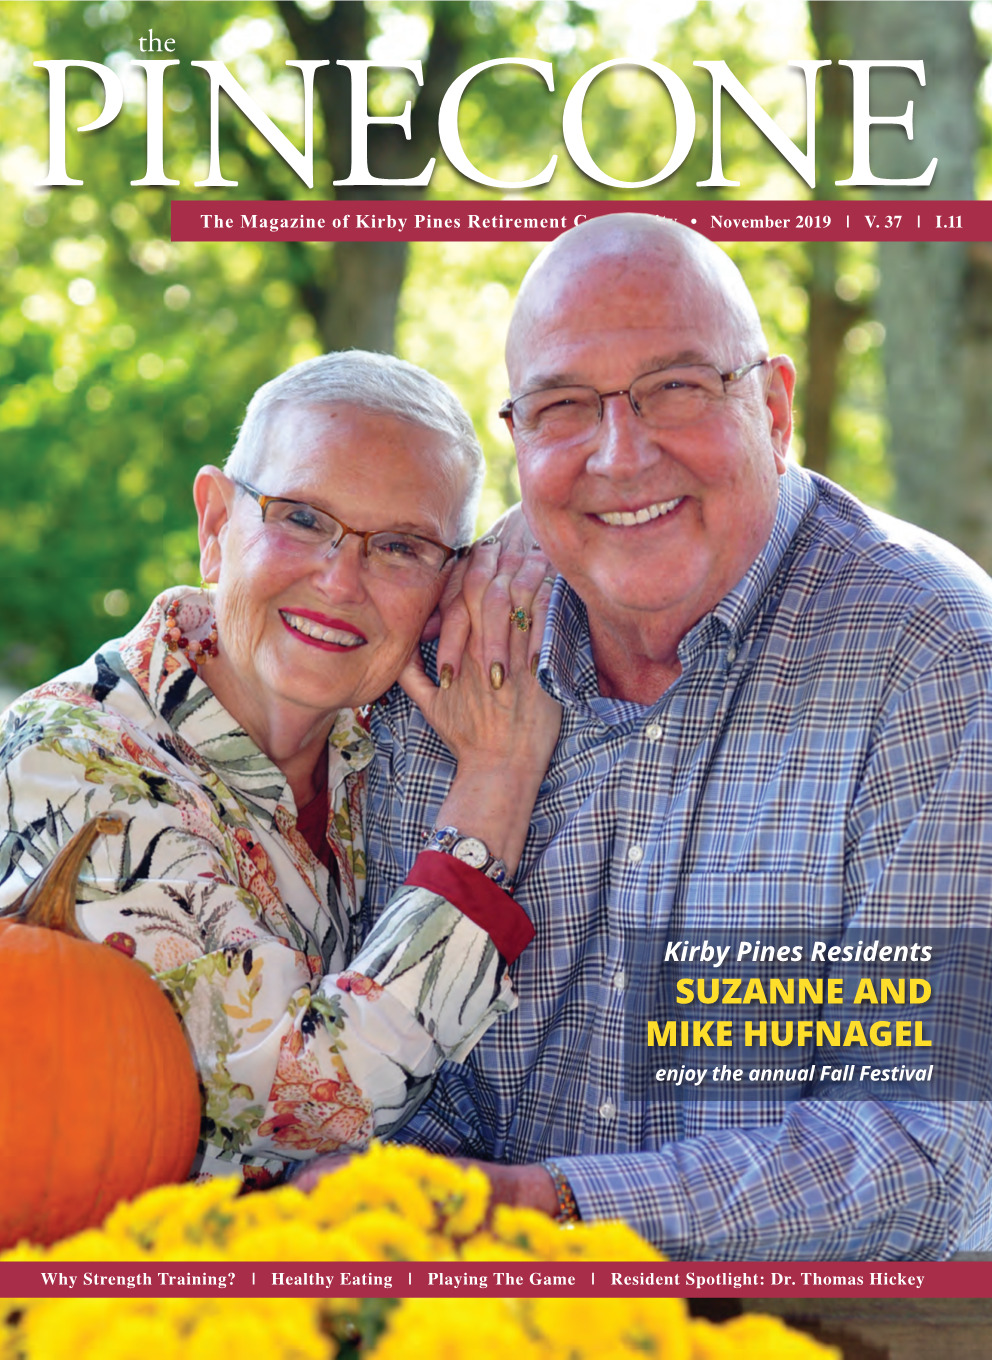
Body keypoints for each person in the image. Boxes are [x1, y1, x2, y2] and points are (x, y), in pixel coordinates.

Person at [364, 215, 992, 1259]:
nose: (621, 452)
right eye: (567, 406)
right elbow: (407, 1072)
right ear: (521, 442)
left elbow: (924, 1150)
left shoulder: (934, 664)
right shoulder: (460, 652)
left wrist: (548, 1207)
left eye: (677, 388)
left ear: (777, 407)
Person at [0, 350, 561, 1186]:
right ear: (215, 524)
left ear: (445, 583)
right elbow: (300, 1102)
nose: (339, 579)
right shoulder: (68, 758)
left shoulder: (385, 734)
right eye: (301, 518)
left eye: (399, 547)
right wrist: (496, 786)